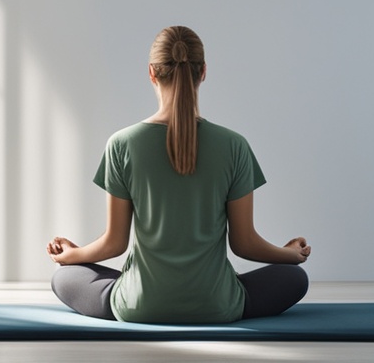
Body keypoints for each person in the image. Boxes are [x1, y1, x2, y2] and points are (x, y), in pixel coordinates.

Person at [46, 26, 311, 324]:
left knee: (65, 277)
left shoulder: (121, 144)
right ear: (204, 72)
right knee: (294, 278)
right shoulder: (234, 145)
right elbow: (244, 243)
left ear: (151, 72)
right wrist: (290, 255)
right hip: (217, 306)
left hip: (140, 306)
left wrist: (72, 255)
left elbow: (114, 244)